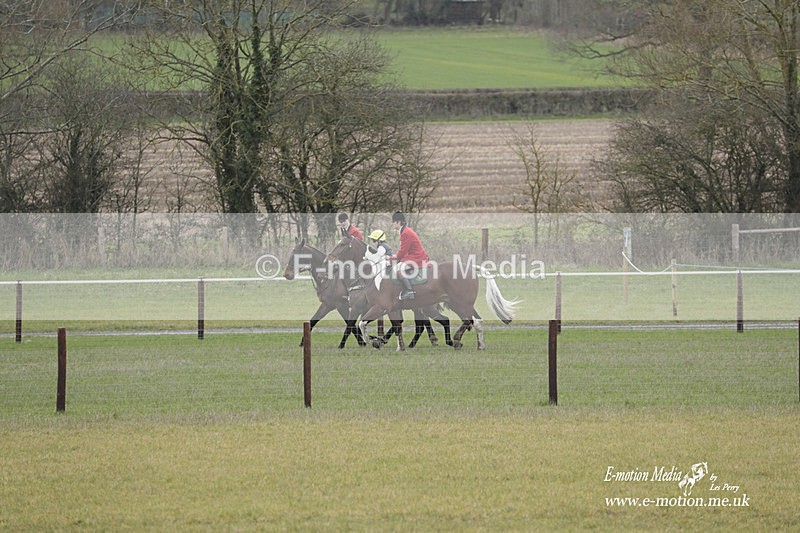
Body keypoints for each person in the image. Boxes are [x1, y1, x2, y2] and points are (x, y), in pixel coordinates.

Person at [389, 211, 429, 300]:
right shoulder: (405, 230)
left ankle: (409, 291)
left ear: (398, 222)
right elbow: (404, 250)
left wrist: (391, 259)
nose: (392, 224)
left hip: (416, 256)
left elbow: (402, 251)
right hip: (413, 255)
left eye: (393, 222)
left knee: (397, 269)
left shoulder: (405, 233)